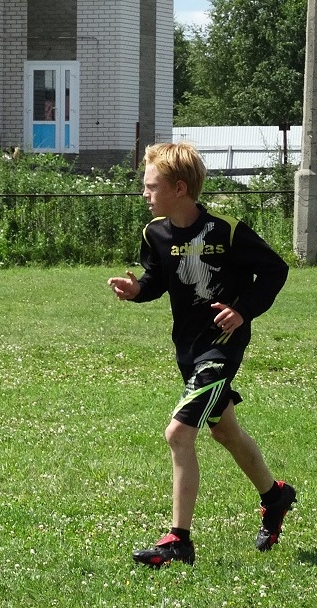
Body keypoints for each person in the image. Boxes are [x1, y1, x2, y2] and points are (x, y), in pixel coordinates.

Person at [108, 141, 295, 567]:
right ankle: (275, 495)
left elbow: (275, 271)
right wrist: (137, 290)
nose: (144, 193)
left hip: (220, 349)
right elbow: (157, 280)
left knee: (178, 434)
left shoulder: (226, 230)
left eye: (151, 186)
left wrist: (242, 310)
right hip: (188, 350)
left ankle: (179, 539)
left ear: (178, 188)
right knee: (224, 431)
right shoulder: (155, 234)